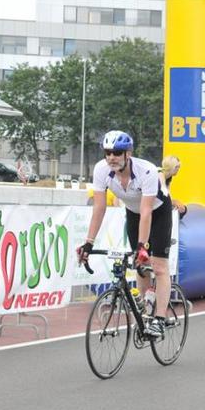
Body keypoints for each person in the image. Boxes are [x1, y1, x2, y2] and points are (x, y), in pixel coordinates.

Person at [77, 131, 173, 338]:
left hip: (157, 212)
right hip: (133, 212)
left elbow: (147, 212)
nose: (111, 157)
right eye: (108, 153)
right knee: (140, 267)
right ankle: (145, 314)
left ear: (128, 154)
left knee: (158, 266)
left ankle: (159, 319)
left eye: (117, 153)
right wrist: (88, 243)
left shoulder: (146, 170)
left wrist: (142, 246)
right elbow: (99, 208)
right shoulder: (101, 170)